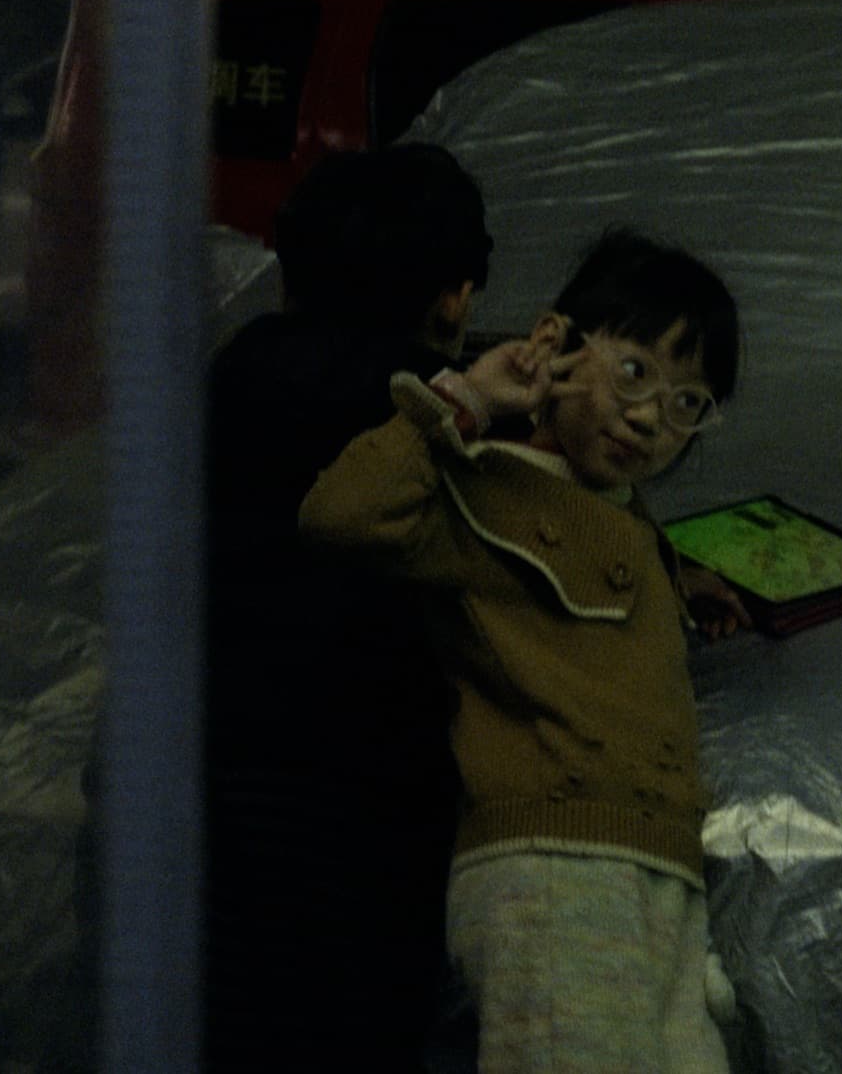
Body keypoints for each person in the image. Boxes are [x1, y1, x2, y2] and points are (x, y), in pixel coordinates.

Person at [300, 229, 747, 1074]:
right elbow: (340, 516)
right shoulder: (486, 481)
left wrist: (678, 582)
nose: (652, 414)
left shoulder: (624, 515)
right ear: (557, 343)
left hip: (656, 869)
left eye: (688, 402)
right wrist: (465, 398)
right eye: (634, 371)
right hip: (555, 871)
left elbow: (583, 574)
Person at [203, 143, 491, 1074]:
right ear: (453, 296)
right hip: (358, 835)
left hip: (190, 796)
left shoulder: (236, 372)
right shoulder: (438, 425)